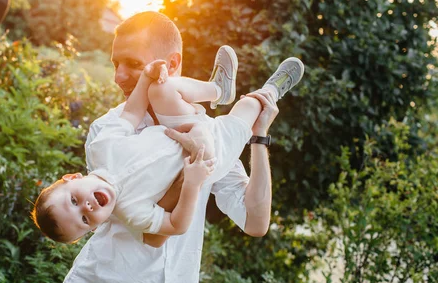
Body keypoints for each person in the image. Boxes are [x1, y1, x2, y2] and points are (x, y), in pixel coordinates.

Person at [30, 11, 293, 283]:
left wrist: (258, 138)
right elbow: (154, 233)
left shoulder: (207, 134)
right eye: (115, 63)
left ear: (170, 64)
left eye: (132, 64)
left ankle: (236, 92)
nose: (119, 76)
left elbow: (255, 221)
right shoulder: (108, 133)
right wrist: (193, 169)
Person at [31, 48, 304, 243]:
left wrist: (147, 78)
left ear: (72, 178)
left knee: (160, 88)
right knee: (248, 105)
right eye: (84, 220)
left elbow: (131, 114)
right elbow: (174, 225)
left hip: (178, 125)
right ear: (94, 229)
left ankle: (217, 89)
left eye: (75, 200)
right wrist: (193, 183)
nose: (87, 207)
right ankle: (271, 92)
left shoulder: (101, 149)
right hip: (206, 155)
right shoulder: (132, 213)